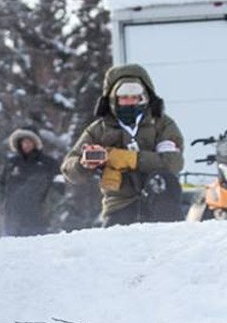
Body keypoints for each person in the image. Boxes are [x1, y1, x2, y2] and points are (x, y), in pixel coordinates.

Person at [61, 64, 184, 227]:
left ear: (145, 97)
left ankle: (173, 237)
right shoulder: (99, 130)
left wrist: (127, 159)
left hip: (159, 201)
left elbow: (173, 162)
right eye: (124, 97)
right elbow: (69, 169)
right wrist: (83, 163)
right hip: (118, 205)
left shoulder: (162, 124)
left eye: (135, 97)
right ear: (114, 99)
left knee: (165, 179)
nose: (130, 102)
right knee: (116, 248)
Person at [0, 128, 60, 236]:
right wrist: (0, 202)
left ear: (35, 142)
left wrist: (50, 204)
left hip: (39, 218)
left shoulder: (49, 164)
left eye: (29, 141)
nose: (26, 145)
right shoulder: (11, 163)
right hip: (12, 218)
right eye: (23, 142)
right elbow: (0, 184)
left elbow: (59, 186)